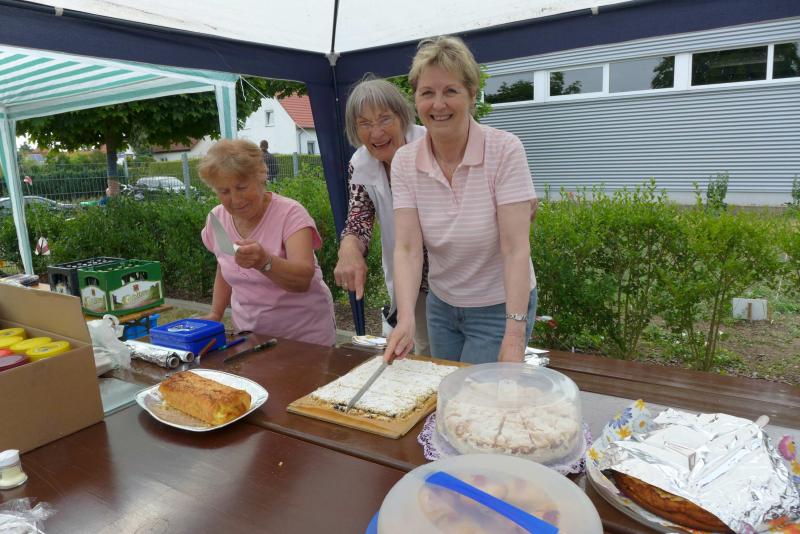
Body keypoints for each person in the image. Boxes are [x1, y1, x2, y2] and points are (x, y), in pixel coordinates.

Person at [384, 36, 538, 365]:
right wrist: (406, 317)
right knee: (448, 388)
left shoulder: (505, 150)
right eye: (427, 93)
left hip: (499, 306)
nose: (438, 105)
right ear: (416, 99)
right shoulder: (404, 161)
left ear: (471, 93)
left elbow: (515, 249)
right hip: (441, 306)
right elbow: (408, 248)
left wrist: (514, 335)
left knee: (479, 392)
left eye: (450, 91)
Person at [200, 139, 335, 346]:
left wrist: (265, 262)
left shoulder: (291, 214)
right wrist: (215, 314)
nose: (235, 199)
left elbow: (303, 280)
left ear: (261, 176)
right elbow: (223, 266)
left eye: (241, 187)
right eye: (224, 192)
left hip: (305, 340)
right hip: (249, 337)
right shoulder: (216, 219)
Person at [333, 76, 431, 355]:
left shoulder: (430, 144)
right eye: (364, 123)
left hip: (453, 274)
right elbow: (359, 217)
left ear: (402, 117)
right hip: (410, 278)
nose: (376, 132)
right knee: (424, 352)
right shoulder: (360, 163)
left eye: (384, 119)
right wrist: (349, 248)